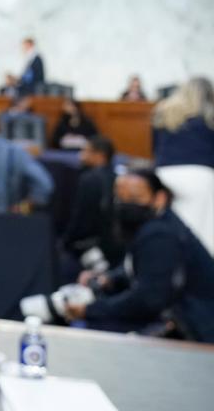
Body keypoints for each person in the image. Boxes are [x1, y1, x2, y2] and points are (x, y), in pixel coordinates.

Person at [67, 170, 214, 343]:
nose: (125, 203)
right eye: (120, 197)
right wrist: (109, 278)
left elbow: (148, 299)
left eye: (135, 197)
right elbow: (141, 268)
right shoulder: (155, 224)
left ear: (159, 198)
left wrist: (90, 309)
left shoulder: (160, 235)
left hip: (196, 334)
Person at [152, 77, 214, 256]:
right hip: (200, 176)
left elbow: (155, 149)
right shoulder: (209, 117)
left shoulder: (164, 113)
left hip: (165, 174)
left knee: (169, 228)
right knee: (202, 234)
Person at [62, 136, 122, 273]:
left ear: (100, 156)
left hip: (90, 246)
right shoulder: (117, 176)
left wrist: (67, 240)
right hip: (113, 245)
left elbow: (81, 215)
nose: (81, 155)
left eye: (86, 151)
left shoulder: (89, 179)